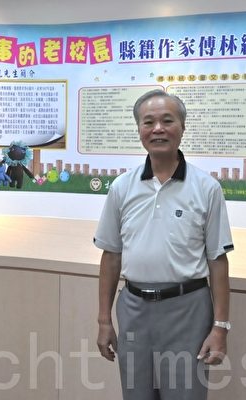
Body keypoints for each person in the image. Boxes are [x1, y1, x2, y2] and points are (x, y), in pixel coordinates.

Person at [94, 89, 234, 400]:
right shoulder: (122, 187)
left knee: (185, 394)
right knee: (137, 394)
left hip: (188, 309)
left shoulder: (207, 188)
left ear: (182, 127)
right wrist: (104, 321)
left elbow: (217, 260)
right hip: (133, 309)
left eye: (167, 121)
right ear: (139, 130)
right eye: (149, 122)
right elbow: (111, 256)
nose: (158, 129)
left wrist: (220, 326)